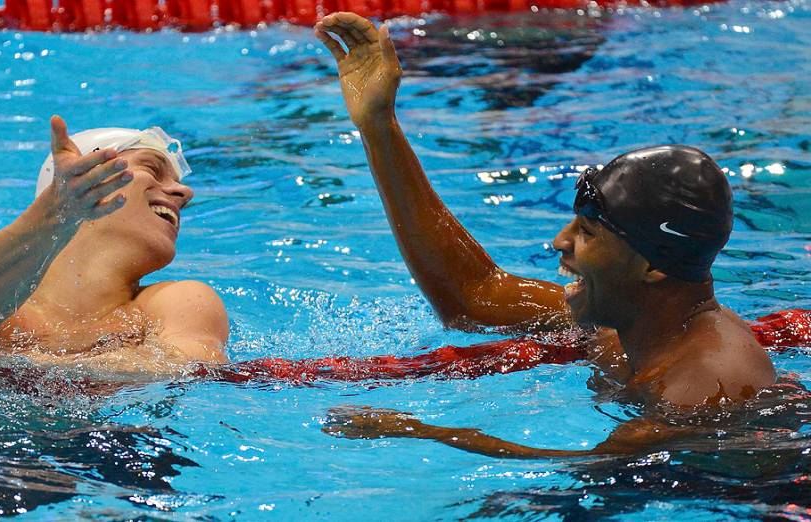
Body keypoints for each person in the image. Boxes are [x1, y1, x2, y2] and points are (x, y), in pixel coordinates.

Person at [313, 12, 776, 456]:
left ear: (652, 265)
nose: (560, 241)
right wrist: (380, 128)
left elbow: (583, 472)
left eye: (588, 232)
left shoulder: (705, 389)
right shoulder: (627, 319)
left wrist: (424, 431)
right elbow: (473, 297)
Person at [0, 116, 229, 371]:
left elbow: (190, 366)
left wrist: (19, 363)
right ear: (88, 178)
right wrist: (56, 214)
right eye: (152, 169)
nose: (185, 194)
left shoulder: (176, 301)